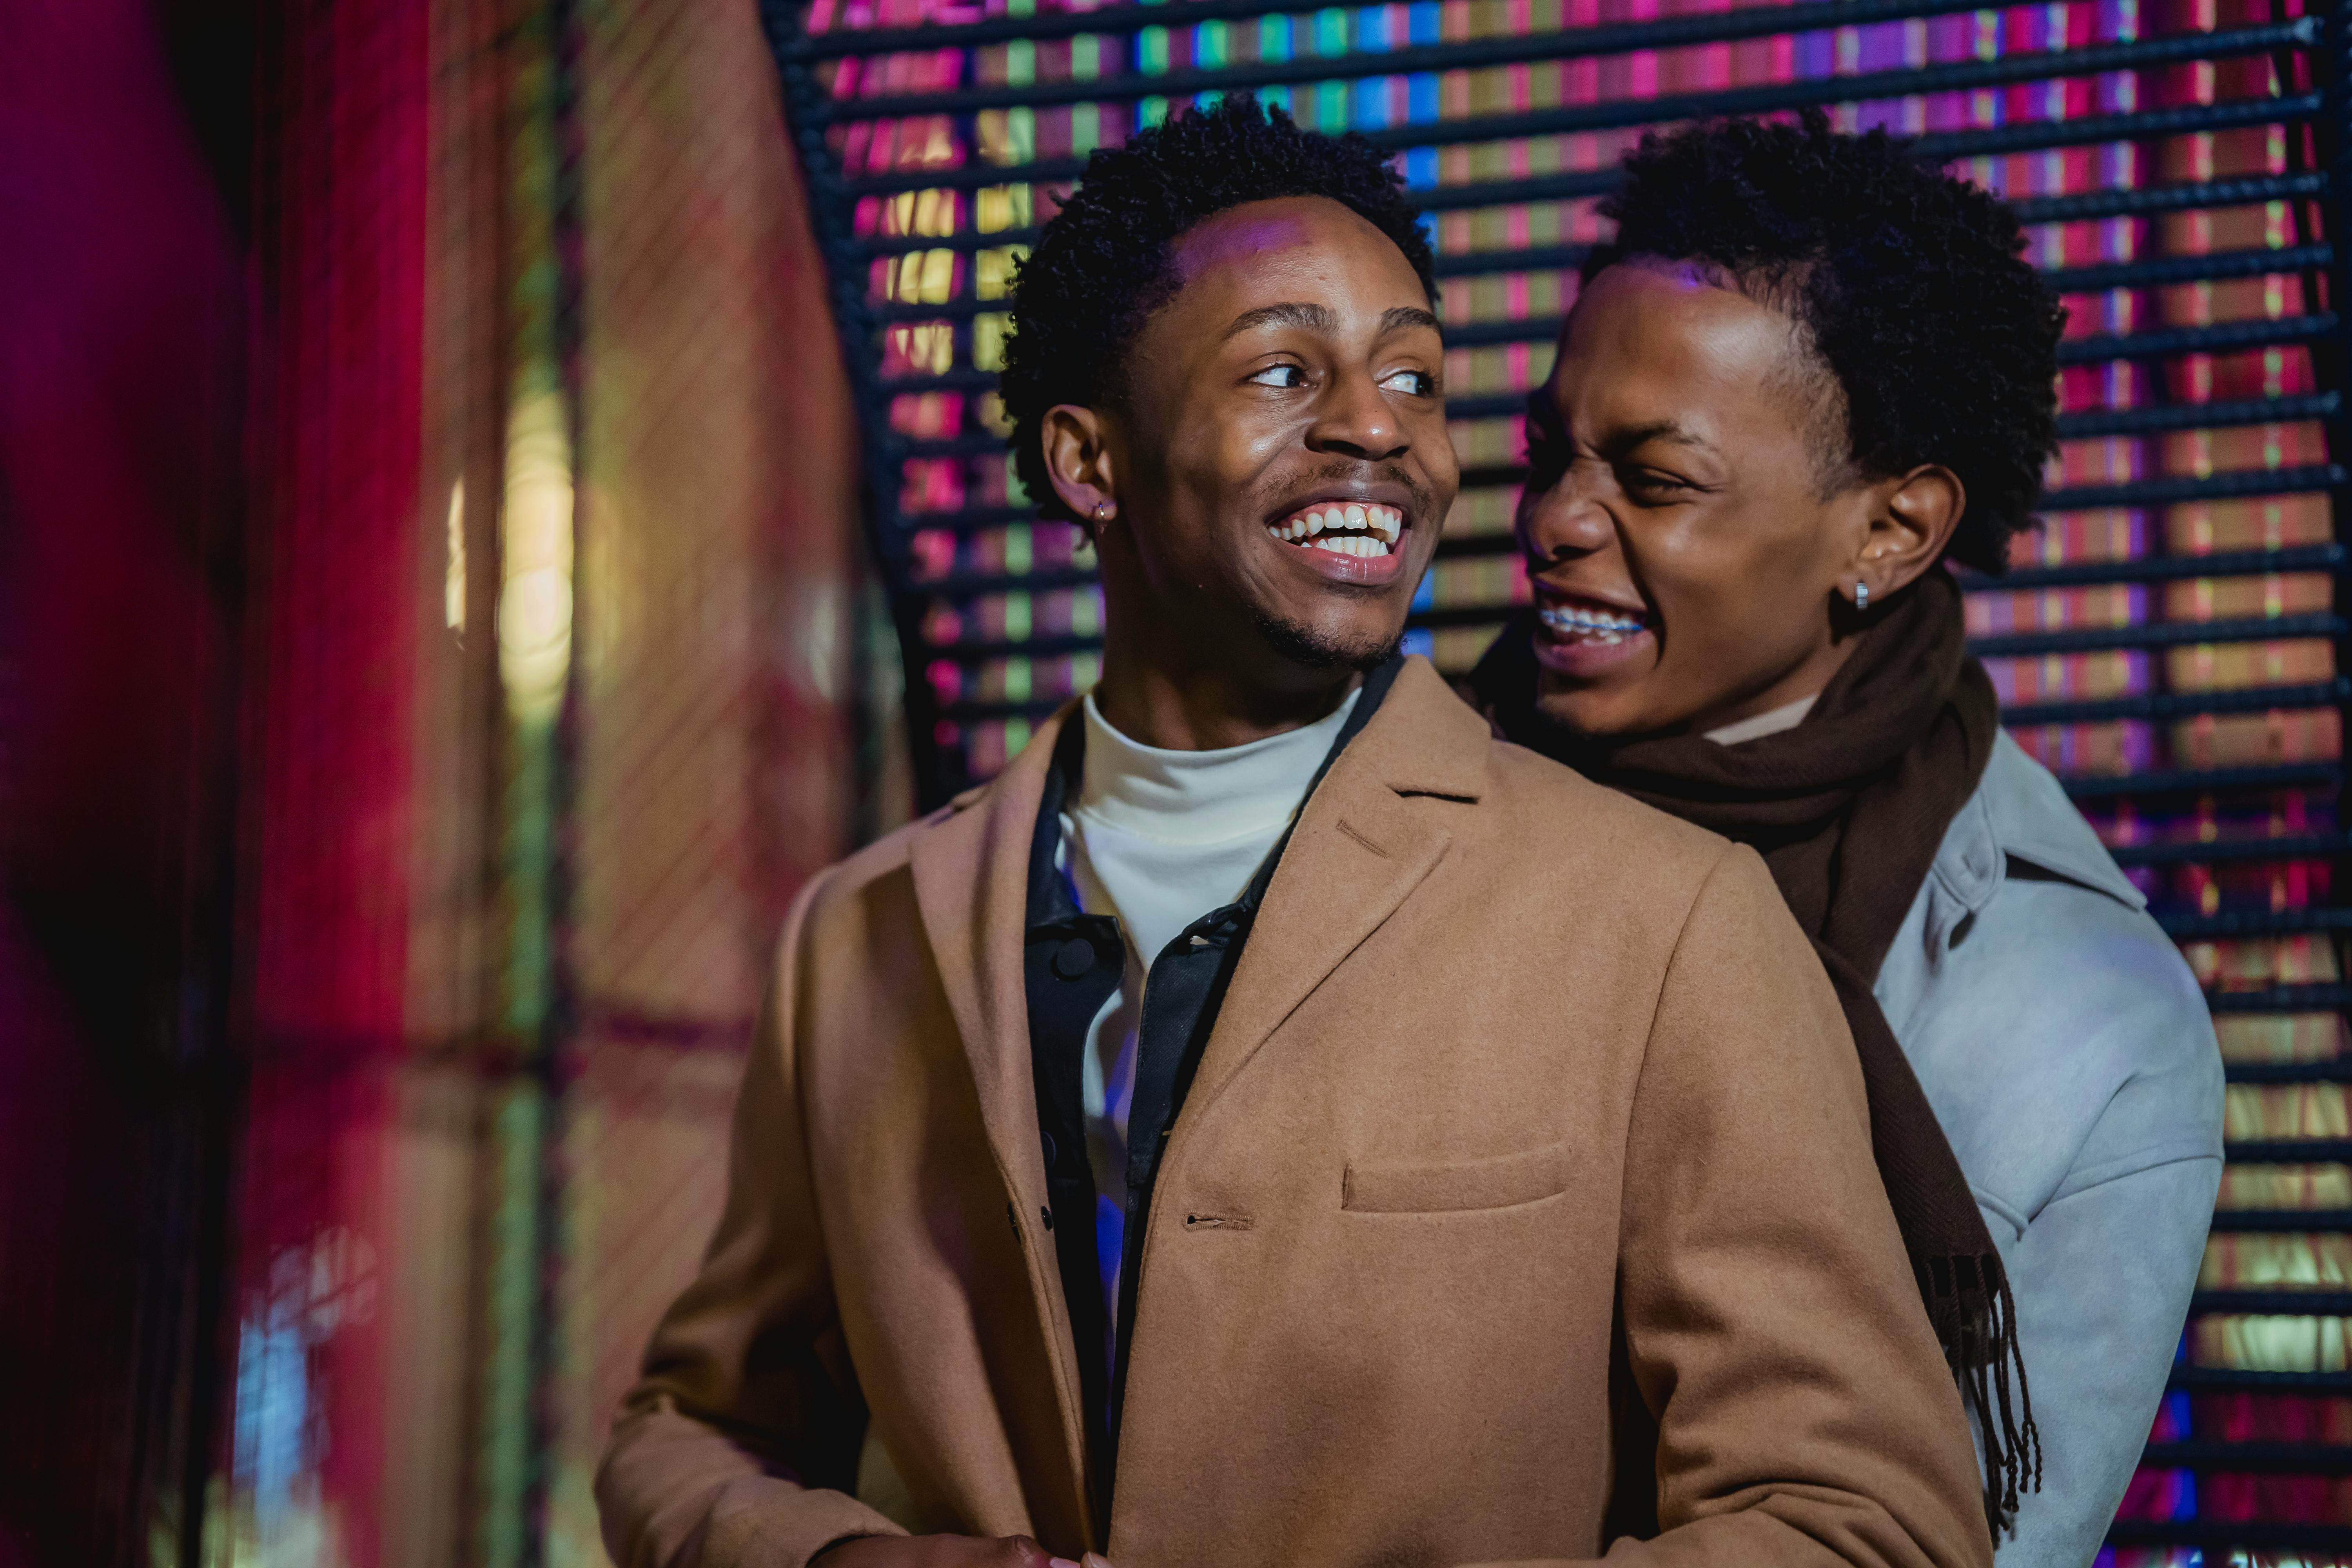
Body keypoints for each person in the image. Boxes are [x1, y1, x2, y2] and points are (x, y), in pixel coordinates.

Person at [597, 96, 1993, 1568]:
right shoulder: (863, 932)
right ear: (1091, 463)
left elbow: (1866, 1526)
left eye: (1416, 376)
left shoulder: (1663, 920)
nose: (1380, 427)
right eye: (1286, 369)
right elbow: (692, 1433)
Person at [1470, 113, 2224, 1568]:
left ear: (1890, 533)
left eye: (1657, 477)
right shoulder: (1392, 808)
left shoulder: (2089, 1021)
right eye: (1548, 454)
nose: (1557, 520)